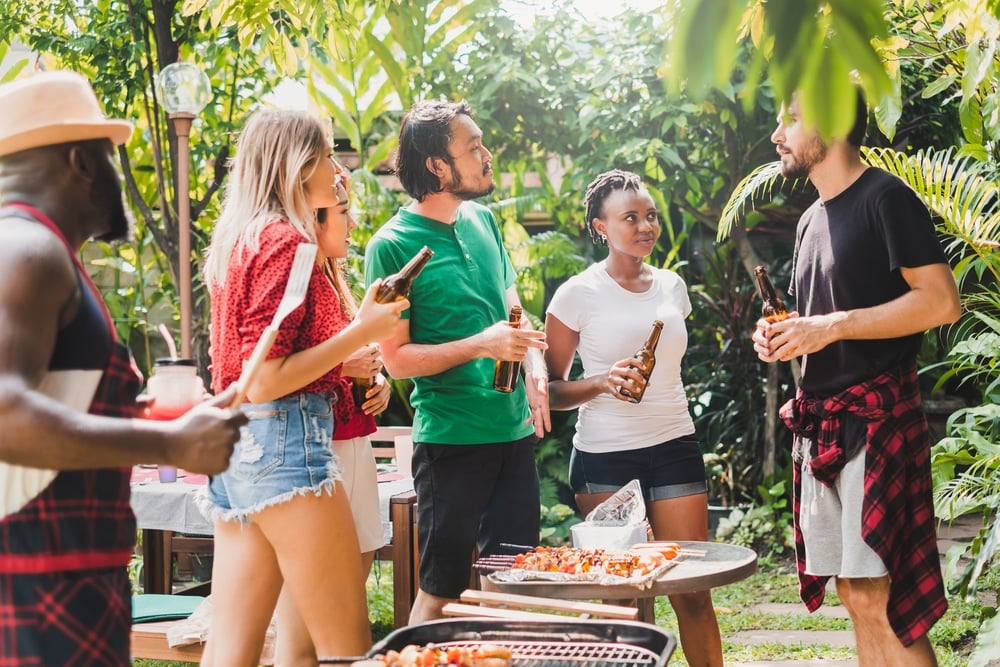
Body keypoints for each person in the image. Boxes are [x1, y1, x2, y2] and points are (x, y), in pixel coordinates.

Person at [0, 71, 246, 667]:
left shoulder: (44, 253)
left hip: (66, 579)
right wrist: (169, 442)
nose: (119, 173)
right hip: (35, 585)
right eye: (112, 157)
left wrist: (150, 416)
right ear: (82, 161)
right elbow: (5, 415)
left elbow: (50, 401)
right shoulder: (27, 250)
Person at [752, 90, 961, 665]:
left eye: (792, 119)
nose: (777, 134)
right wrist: (780, 335)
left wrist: (832, 326)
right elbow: (814, 319)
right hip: (821, 426)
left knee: (879, 595)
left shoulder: (886, 198)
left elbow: (942, 302)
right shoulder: (809, 220)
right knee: (854, 592)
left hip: (877, 421)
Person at [200, 109, 407, 664]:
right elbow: (265, 379)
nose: (337, 169)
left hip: (236, 450)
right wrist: (362, 332)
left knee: (230, 653)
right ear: (295, 165)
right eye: (327, 154)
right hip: (286, 446)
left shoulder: (241, 238)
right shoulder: (288, 241)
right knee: (344, 649)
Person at [364, 99, 550, 624]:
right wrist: (480, 345)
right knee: (441, 591)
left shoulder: (484, 221)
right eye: (473, 148)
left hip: (513, 434)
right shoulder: (391, 246)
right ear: (437, 167)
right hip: (450, 441)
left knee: (510, 583)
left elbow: (513, 307)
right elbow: (397, 361)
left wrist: (534, 369)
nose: (487, 156)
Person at [544, 169, 723, 667]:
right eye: (630, 218)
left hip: (674, 444)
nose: (645, 226)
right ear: (601, 227)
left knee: (692, 589)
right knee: (622, 598)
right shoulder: (576, 294)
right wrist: (601, 382)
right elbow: (549, 391)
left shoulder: (672, 286)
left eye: (651, 215)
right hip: (605, 456)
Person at [274, 174, 394, 667]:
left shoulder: (333, 278)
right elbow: (276, 370)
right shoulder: (293, 272)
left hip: (354, 437)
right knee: (315, 597)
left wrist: (378, 382)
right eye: (343, 213)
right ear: (314, 216)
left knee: (354, 576)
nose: (353, 223)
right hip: (318, 445)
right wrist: (345, 364)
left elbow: (354, 354)